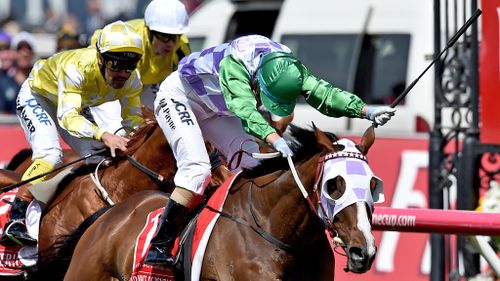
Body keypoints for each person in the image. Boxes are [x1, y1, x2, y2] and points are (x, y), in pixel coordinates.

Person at [145, 34, 396, 264]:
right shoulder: (235, 66)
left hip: (216, 109)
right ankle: (160, 244)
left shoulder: (289, 68)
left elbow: (325, 93)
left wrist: (366, 110)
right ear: (261, 82)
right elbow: (245, 111)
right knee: (197, 170)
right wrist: (274, 138)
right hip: (180, 99)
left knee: (254, 164)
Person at [2, 20, 145, 246]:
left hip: (71, 102)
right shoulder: (77, 68)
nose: (123, 73)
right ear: (100, 58)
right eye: (116, 64)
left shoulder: (132, 80)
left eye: (131, 64)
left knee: (101, 157)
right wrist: (105, 134)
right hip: (38, 98)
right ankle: (15, 218)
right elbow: (68, 118)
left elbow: (133, 121)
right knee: (50, 154)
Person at [89, 0, 191, 135]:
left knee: (160, 126)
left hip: (143, 84)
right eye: (164, 36)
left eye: (176, 37)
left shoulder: (181, 47)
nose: (171, 44)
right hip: (110, 84)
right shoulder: (133, 42)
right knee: (118, 132)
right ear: (149, 31)